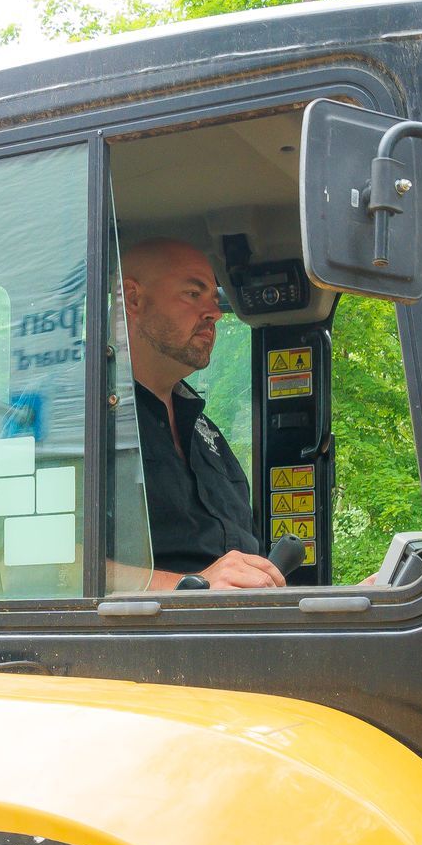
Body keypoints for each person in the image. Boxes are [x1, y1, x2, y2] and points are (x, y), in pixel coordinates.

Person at [121, 237, 286, 590]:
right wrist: (191, 586)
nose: (215, 313)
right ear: (133, 299)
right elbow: (24, 568)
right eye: (193, 294)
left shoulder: (205, 432)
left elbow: (240, 571)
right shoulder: (80, 420)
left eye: (214, 298)